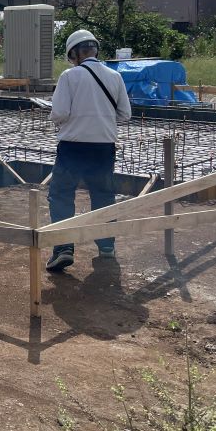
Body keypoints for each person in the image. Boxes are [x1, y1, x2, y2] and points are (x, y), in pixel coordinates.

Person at [46, 29, 132, 273]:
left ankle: (63, 249)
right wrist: (100, 118)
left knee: (62, 195)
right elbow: (125, 115)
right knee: (103, 196)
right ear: (95, 50)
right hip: (103, 148)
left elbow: (59, 113)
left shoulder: (69, 76)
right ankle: (106, 246)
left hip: (72, 148)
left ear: (74, 53)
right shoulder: (115, 77)